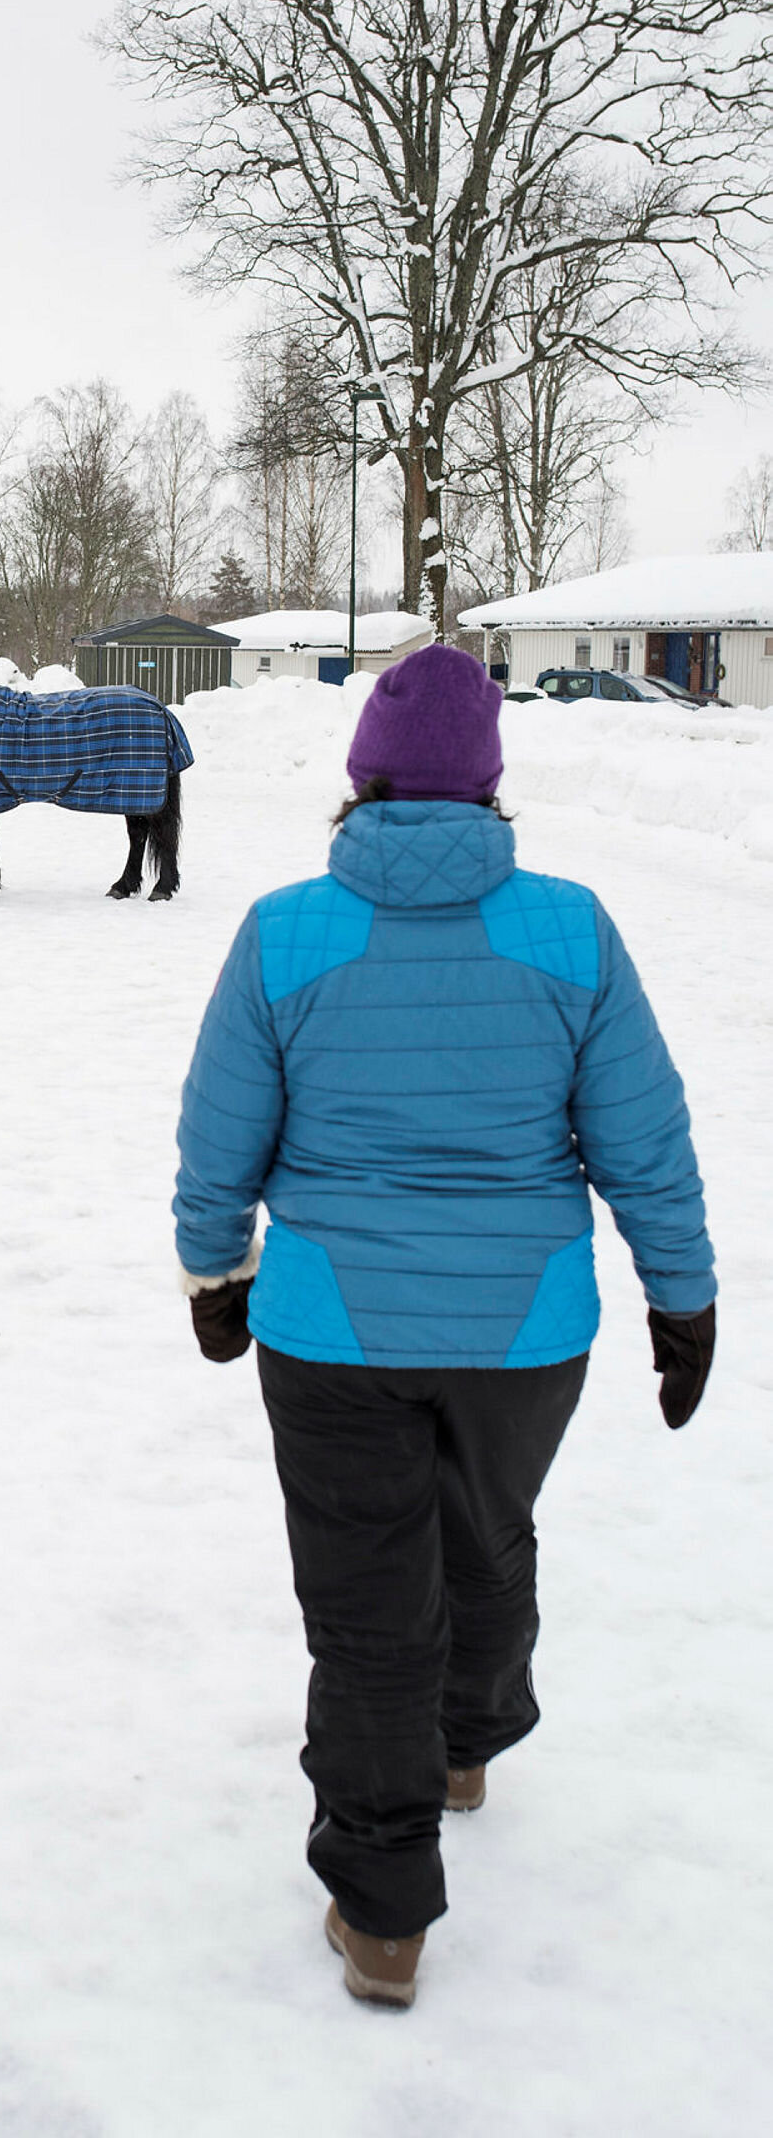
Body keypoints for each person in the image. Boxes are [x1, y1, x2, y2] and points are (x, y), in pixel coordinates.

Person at [173, 645, 715, 2007]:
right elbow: (641, 1140)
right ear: (486, 786)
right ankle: (465, 1739)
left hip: (331, 1335)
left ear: (360, 776)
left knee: (364, 1614)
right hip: (522, 1330)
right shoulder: (568, 930)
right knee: (484, 1537)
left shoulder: (283, 931)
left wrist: (211, 1274)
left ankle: (381, 1910)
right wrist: (679, 1296)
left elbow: (217, 1134)